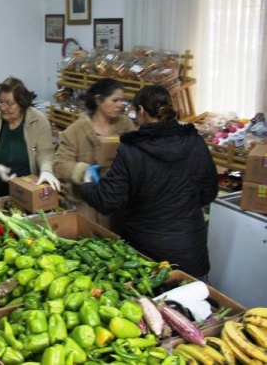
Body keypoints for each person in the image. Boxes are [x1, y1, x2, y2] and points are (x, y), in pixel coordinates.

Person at [81, 85, 218, 279]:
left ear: (142, 111)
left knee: (153, 306)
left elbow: (107, 201)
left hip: (146, 254)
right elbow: (209, 192)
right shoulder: (195, 142)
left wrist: (88, 184)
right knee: (193, 305)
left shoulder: (132, 149)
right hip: (190, 249)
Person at [53, 78, 135, 230]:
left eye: (122, 100)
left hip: (118, 203)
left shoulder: (126, 126)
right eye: (115, 100)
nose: (121, 105)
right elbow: (60, 164)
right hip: (86, 204)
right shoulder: (75, 131)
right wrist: (84, 172)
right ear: (99, 100)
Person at [0, 76, 60, 199]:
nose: (3, 107)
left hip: (28, 192)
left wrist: (46, 170)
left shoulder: (38, 120)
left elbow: (45, 151)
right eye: (0, 102)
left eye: (9, 103)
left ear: (22, 103)